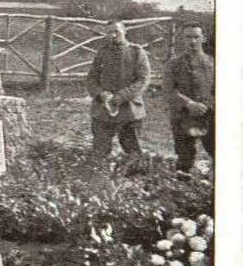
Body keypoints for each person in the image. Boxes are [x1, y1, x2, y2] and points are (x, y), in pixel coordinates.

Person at [86, 19, 151, 160]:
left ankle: (135, 178)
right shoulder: (102, 53)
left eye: (117, 31)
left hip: (130, 109)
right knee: (100, 149)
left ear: (125, 31)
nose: (113, 35)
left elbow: (143, 80)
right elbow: (91, 78)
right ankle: (101, 177)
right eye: (109, 32)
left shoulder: (136, 52)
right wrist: (100, 93)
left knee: (132, 150)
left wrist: (120, 97)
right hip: (103, 108)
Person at [163, 23, 214, 172]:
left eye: (196, 37)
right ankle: (181, 187)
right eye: (188, 37)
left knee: (217, 152)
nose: (192, 41)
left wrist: (206, 106)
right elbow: (167, 90)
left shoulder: (213, 63)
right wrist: (189, 104)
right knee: (184, 158)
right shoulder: (173, 64)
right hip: (183, 116)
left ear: (203, 39)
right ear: (182, 40)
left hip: (209, 115)